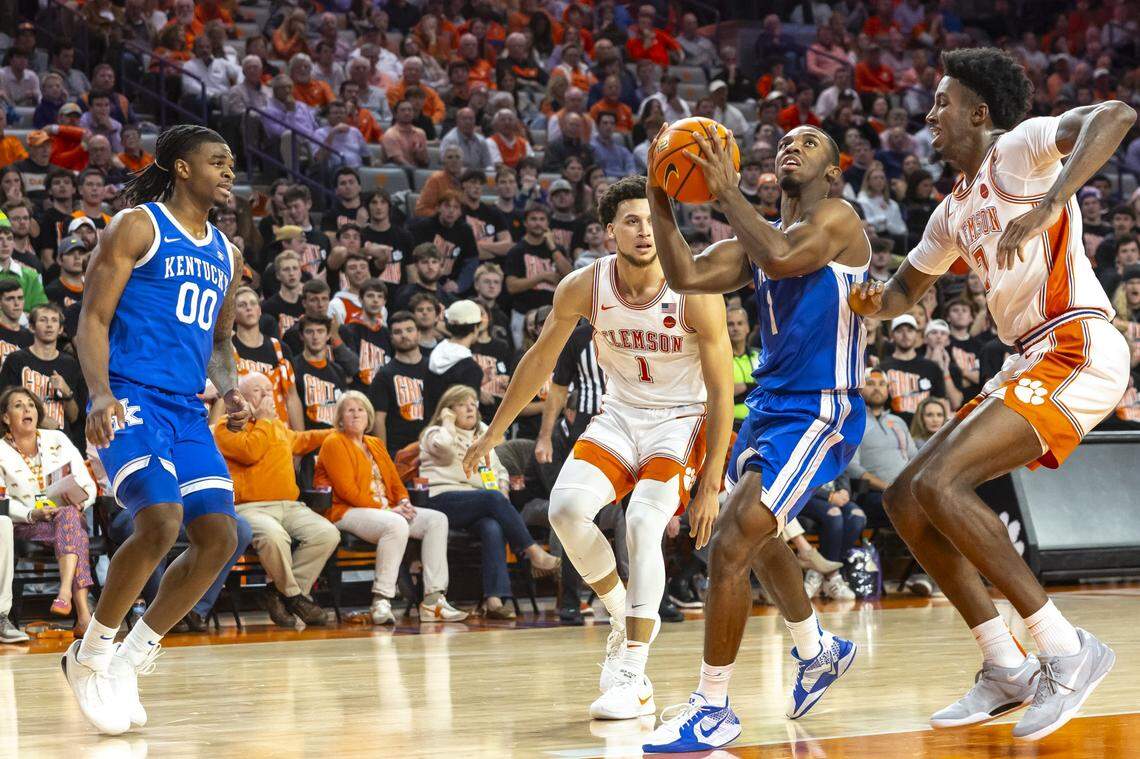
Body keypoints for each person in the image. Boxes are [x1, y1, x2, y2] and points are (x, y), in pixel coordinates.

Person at [847, 48, 1135, 741]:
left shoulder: (1021, 148)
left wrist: (1051, 203)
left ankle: (1066, 649)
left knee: (944, 482)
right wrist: (860, 299)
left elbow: (1117, 114)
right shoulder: (950, 212)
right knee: (906, 493)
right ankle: (1005, 664)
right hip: (1029, 356)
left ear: (980, 112)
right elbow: (899, 294)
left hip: (1079, 343)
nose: (931, 116)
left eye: (943, 102)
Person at [464, 176, 733, 721]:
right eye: (630, 221)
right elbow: (539, 360)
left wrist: (710, 484)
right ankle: (617, 616)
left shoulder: (694, 291)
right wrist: (495, 430)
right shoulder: (584, 285)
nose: (643, 231)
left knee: (641, 522)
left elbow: (723, 388)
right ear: (609, 232)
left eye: (652, 220)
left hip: (679, 422)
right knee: (564, 511)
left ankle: (634, 671)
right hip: (617, 415)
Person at [643, 123, 869, 751]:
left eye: (811, 142)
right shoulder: (755, 235)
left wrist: (723, 194)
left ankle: (712, 707)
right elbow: (685, 273)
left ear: (832, 172)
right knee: (752, 535)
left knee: (731, 539)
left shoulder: (840, 220)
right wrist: (660, 194)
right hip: (770, 406)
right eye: (786, 141)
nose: (792, 146)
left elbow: (781, 258)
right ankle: (816, 647)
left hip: (821, 407)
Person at [67, 125, 251, 736]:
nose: (228, 171)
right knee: (161, 520)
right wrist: (99, 393)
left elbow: (221, 340)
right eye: (216, 161)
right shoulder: (137, 226)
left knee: (221, 535)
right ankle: (90, 650)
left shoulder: (227, 252)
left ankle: (133, 652)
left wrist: (228, 387)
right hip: (130, 396)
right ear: (180, 167)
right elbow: (91, 319)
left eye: (232, 163)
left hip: (187, 409)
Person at [314, 391, 466, 624]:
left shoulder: (374, 443)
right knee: (395, 524)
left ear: (369, 416)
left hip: (385, 511)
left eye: (361, 409)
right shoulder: (334, 442)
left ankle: (433, 600)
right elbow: (347, 491)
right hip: (344, 511)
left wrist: (403, 501)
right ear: (340, 418)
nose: (356, 414)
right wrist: (388, 510)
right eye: (350, 410)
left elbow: (394, 481)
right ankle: (381, 601)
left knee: (436, 520)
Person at [420, 385, 560, 618]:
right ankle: (533, 553)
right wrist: (446, 422)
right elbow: (444, 449)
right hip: (440, 500)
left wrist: (502, 493)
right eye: (462, 404)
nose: (470, 408)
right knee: (492, 500)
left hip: (478, 502)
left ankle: (494, 600)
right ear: (448, 410)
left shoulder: (483, 433)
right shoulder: (433, 433)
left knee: (492, 526)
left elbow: (499, 470)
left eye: (473, 403)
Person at [213, 373, 340, 628]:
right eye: (258, 391)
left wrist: (336, 432)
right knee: (274, 536)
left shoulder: (275, 426)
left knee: (327, 533)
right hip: (250, 507)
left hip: (290, 506)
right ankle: (294, 596)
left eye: (270, 391)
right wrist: (263, 421)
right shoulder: (225, 427)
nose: (267, 396)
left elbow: (301, 440)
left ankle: (278, 592)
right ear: (241, 397)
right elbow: (250, 451)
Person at [0, 387, 97, 634]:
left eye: (31, 405)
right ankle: (83, 614)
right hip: (27, 525)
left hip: (65, 516)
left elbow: (86, 482)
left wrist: (81, 501)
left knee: (70, 516)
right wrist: (32, 514)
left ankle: (65, 592)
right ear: (5, 417)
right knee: (75, 529)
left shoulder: (58, 439)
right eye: (18, 405)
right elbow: (2, 501)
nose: (27, 409)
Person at [368, 310, 428, 453]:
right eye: (397, 332)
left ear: (419, 333)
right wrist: (383, 457)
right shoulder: (384, 375)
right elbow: (378, 419)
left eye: (409, 330)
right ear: (391, 338)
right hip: (399, 453)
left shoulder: (433, 370)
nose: (404, 335)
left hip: (431, 450)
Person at [424, 300, 485, 417]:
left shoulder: (433, 354)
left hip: (430, 430)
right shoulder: (471, 369)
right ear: (475, 328)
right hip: (454, 433)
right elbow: (468, 415)